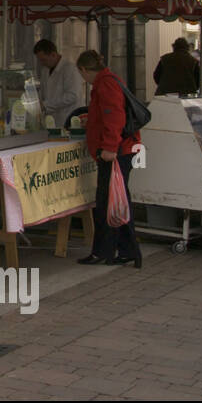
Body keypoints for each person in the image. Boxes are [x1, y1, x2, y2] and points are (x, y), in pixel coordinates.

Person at [76, 50, 143, 268]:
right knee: (117, 201)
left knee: (107, 202)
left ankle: (104, 250)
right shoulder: (109, 81)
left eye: (82, 74)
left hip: (117, 152)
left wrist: (109, 147)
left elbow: (114, 116)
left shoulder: (105, 84)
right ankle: (126, 249)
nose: (83, 79)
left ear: (85, 70)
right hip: (121, 149)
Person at [33, 39, 82, 129]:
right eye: (40, 60)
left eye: (44, 60)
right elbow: (43, 93)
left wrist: (46, 105)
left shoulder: (70, 69)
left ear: (53, 54)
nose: (42, 63)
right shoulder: (45, 70)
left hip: (66, 120)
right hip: (50, 121)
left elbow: (72, 96)